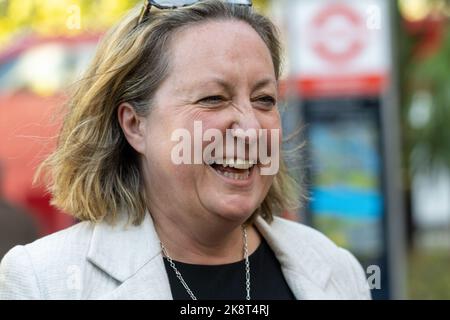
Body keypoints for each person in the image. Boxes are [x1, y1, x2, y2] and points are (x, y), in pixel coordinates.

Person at [0, 0, 371, 300]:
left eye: (264, 99)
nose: (250, 127)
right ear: (134, 125)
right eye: (213, 98)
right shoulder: (41, 282)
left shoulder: (336, 269)